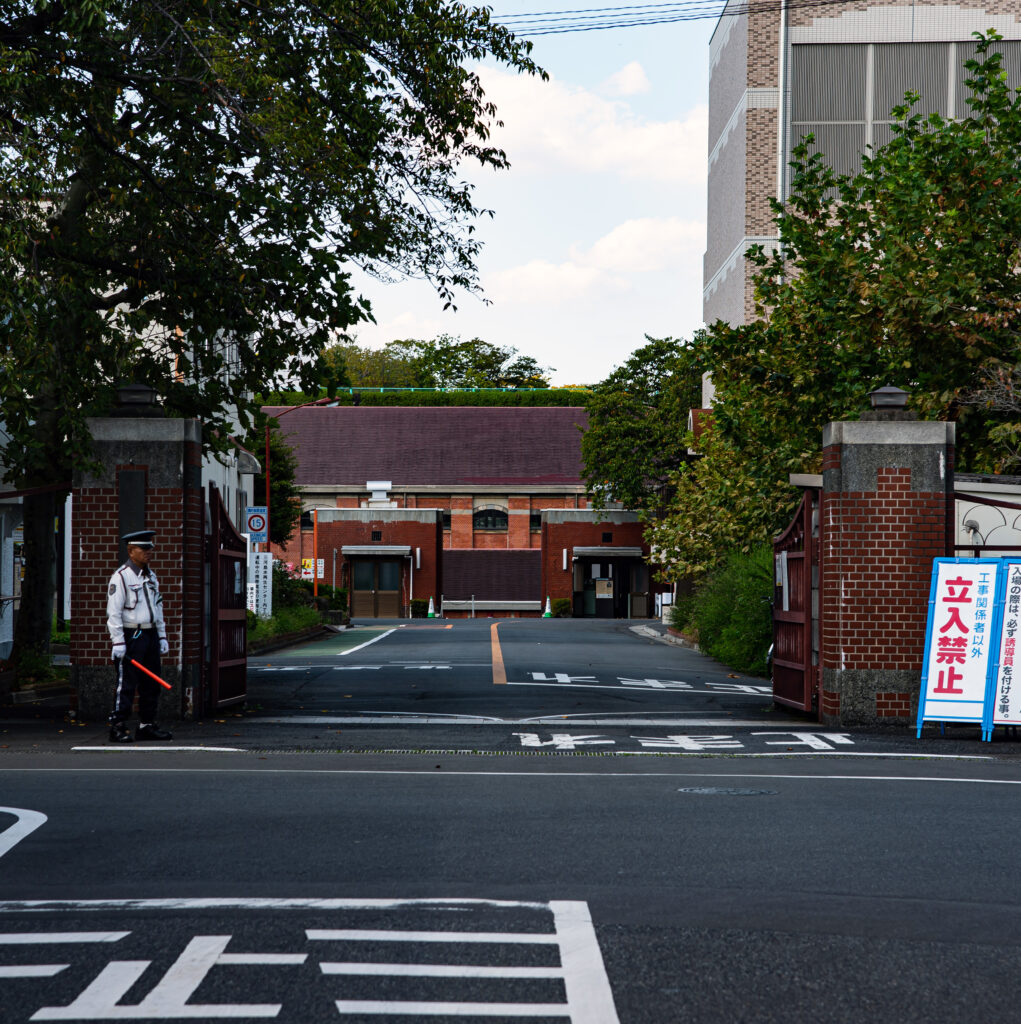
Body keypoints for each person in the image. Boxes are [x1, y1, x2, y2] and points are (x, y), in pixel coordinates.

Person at [106, 529, 173, 743]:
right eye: (143, 549)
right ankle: (117, 726)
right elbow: (114, 611)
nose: (148, 552)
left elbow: (158, 608)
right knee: (127, 683)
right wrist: (117, 640)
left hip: (150, 633)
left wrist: (161, 636)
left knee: (151, 683)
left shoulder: (151, 576)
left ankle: (146, 725)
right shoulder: (122, 577)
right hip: (131, 633)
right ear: (130, 550)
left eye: (149, 548)